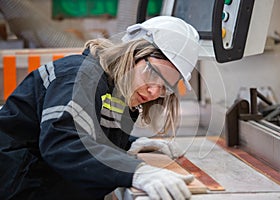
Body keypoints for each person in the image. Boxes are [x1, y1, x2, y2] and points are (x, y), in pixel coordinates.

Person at [0, 16, 200, 200]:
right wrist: (135, 171)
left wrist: (132, 143)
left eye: (165, 87)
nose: (154, 91)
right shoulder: (79, 76)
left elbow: (89, 130)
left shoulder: (115, 91)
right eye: (153, 73)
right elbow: (64, 142)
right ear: (132, 52)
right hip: (20, 188)